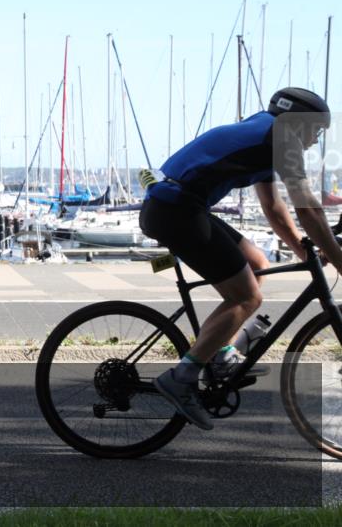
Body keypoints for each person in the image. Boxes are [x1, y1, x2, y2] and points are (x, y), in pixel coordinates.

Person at [141, 87, 341, 431]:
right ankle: (182, 376)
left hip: (177, 205)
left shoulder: (266, 132)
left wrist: (303, 250)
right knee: (247, 296)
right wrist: (339, 260)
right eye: (314, 131)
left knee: (256, 261)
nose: (314, 141)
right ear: (297, 122)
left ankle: (220, 355)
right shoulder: (281, 139)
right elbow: (307, 208)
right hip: (176, 210)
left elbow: (275, 209)